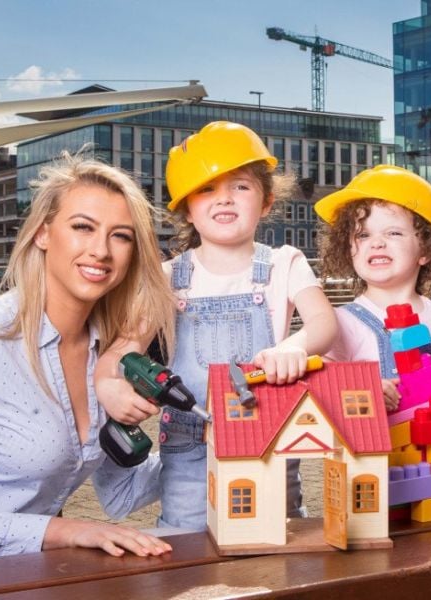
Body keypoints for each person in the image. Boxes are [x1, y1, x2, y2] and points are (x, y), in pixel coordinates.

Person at [0, 154, 177, 568]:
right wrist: (66, 531)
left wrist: (210, 454)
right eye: (82, 227)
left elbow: (121, 489)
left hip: (22, 570)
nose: (100, 250)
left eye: (121, 236)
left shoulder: (108, 356)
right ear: (43, 233)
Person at [96, 121, 338, 531]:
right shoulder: (168, 276)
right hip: (190, 448)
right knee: (186, 545)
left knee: (277, 536)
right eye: (206, 188)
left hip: (269, 437)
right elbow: (122, 349)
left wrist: (294, 347)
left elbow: (324, 323)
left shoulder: (284, 263)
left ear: (266, 201)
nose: (224, 197)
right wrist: (108, 384)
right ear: (186, 208)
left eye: (240, 186)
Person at [315, 164, 431, 411]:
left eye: (393, 233)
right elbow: (322, 387)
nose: (377, 243)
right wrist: (363, 390)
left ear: (426, 249)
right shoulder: (341, 322)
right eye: (362, 235)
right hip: (385, 448)